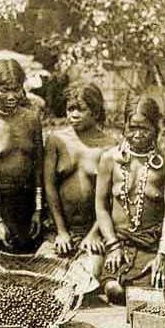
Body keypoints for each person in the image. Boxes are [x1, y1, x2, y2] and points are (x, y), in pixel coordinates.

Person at [95, 98, 165, 304]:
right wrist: (113, 245)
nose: (138, 134)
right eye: (132, 127)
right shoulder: (109, 159)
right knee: (114, 290)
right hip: (120, 242)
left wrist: (162, 254)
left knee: (162, 290)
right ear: (124, 125)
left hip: (152, 244)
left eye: (145, 128)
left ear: (156, 128)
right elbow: (101, 206)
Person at [41, 82, 117, 279]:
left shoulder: (109, 146)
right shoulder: (56, 140)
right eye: (70, 109)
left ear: (95, 111)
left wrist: (95, 233)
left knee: (87, 277)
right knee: (44, 275)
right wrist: (61, 231)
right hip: (58, 230)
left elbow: (111, 197)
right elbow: (49, 187)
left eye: (80, 109)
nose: (73, 115)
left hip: (91, 230)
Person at [0, 59, 45, 252]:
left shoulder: (31, 119)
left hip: (28, 203)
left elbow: (39, 165)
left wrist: (38, 209)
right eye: (4, 90)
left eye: (16, 89)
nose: (12, 96)